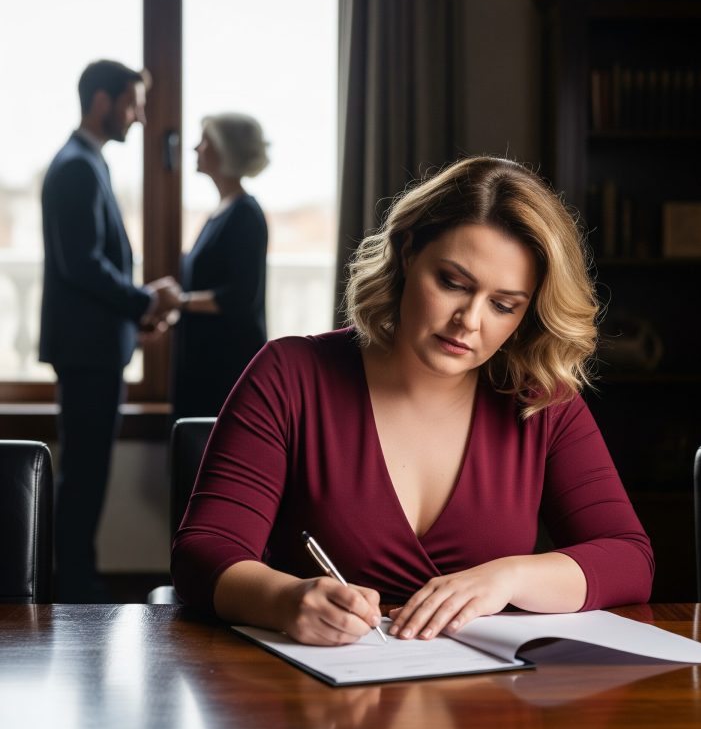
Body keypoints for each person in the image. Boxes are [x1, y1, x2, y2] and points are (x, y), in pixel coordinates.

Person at [171, 156, 654, 645]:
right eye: (452, 283)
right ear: (407, 253)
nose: (469, 320)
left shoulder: (539, 402)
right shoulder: (290, 375)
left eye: (503, 305)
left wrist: (507, 578)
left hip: (485, 704)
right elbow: (204, 552)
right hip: (318, 697)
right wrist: (284, 600)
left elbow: (630, 557)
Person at [40, 59, 179, 602]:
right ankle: (74, 590)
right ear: (101, 101)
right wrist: (144, 300)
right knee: (83, 478)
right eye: (132, 103)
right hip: (87, 354)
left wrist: (134, 315)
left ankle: (77, 583)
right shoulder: (76, 166)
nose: (140, 115)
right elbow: (83, 265)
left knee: (87, 474)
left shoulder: (85, 161)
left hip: (95, 348)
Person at [171, 112, 270, 420]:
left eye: (204, 142)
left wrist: (181, 301)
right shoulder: (221, 212)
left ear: (224, 150)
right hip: (204, 358)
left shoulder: (245, 215)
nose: (196, 149)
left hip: (226, 364)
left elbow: (240, 296)